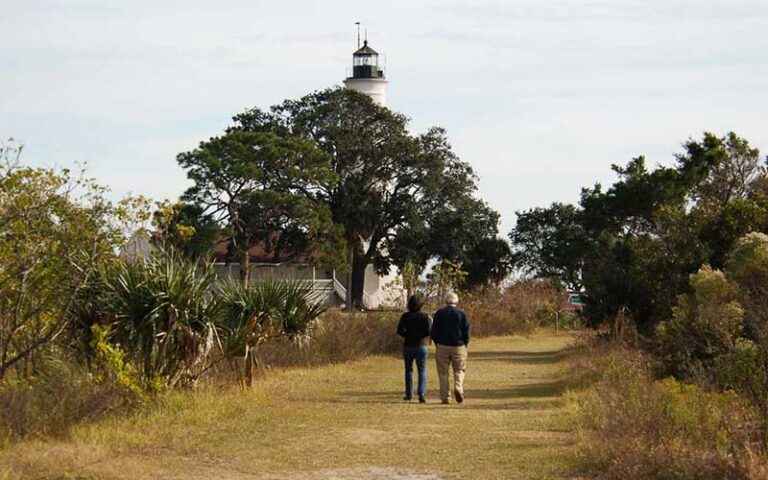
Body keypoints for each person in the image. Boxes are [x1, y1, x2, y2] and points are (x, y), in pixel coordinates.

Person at [431, 291, 470, 404]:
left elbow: (433, 331)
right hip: (458, 346)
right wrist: (464, 343)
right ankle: (458, 387)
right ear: (456, 302)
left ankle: (445, 397)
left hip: (442, 345)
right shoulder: (462, 314)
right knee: (459, 369)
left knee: (443, 373)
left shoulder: (439, 313)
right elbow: (466, 330)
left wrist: (437, 343)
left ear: (446, 301)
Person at [396, 295, 431, 403]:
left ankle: (409, 394)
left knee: (409, 370)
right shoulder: (425, 316)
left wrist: (407, 335)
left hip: (408, 346)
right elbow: (429, 331)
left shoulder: (405, 316)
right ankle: (421, 393)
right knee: (422, 370)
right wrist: (420, 336)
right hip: (421, 346)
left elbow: (399, 330)